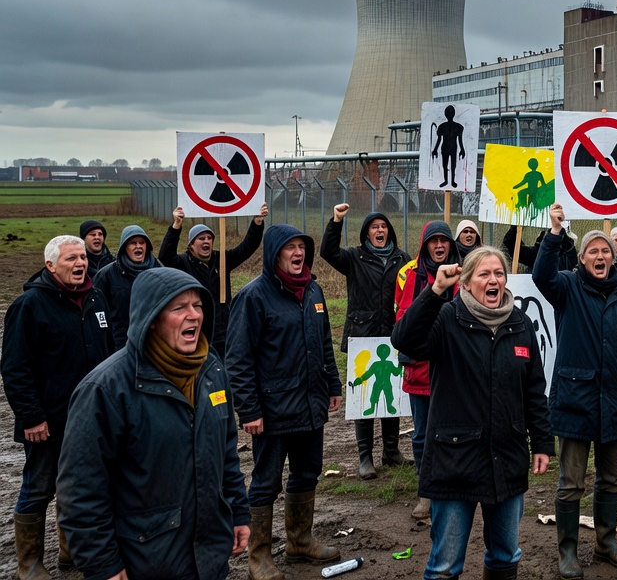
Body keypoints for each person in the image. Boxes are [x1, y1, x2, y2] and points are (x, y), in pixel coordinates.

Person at [57, 268, 250, 579]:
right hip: (145, 561)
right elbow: (81, 490)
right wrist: (103, 563)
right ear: (152, 317)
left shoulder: (212, 371)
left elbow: (227, 455)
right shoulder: (106, 389)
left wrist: (239, 513)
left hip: (209, 556)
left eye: (198, 305)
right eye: (179, 308)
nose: (194, 315)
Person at [393, 247, 553, 580]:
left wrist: (541, 442)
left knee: (505, 555)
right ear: (465, 283)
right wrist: (435, 291)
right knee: (445, 564)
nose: (493, 280)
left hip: (506, 459)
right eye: (483, 274)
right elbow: (405, 340)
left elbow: (534, 389)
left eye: (498, 273)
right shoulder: (447, 319)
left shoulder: (520, 323)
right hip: (454, 463)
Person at [534, 204, 617, 579]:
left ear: (614, 255)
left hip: (615, 397)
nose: (600, 256)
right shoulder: (567, 287)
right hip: (575, 399)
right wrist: (554, 234)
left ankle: (606, 542)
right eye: (593, 251)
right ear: (582, 259)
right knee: (571, 482)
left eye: (606, 250)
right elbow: (540, 275)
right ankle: (567, 551)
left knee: (611, 478)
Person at [226, 224, 343, 579]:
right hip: (272, 411)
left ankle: (299, 541)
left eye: (302, 247)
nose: (298, 253)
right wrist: (249, 409)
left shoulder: (314, 292)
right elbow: (238, 359)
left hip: (310, 406)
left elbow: (324, 345)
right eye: (290, 247)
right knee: (265, 482)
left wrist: (333, 385)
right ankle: (258, 557)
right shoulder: (254, 297)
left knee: (308, 471)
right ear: (275, 253)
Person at [3, 235, 115, 578]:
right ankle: (30, 564)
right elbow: (15, 368)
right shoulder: (30, 305)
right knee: (39, 487)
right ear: (51, 265)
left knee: (81, 487)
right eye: (71, 259)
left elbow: (110, 356)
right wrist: (32, 417)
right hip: (48, 421)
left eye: (82, 257)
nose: (80, 263)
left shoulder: (96, 298)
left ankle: (71, 553)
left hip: (90, 419)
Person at [322, 204, 411, 480]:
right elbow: (328, 252)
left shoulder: (401, 258)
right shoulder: (354, 257)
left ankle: (391, 451)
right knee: (365, 400)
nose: (380, 230)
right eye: (374, 227)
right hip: (363, 335)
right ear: (366, 233)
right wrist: (336, 220)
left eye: (383, 226)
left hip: (392, 334)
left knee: (391, 396)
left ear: (389, 231)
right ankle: (365, 457)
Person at [395, 220, 459, 522]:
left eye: (443, 240)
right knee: (421, 435)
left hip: (452, 372)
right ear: (425, 246)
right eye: (432, 241)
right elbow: (404, 323)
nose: (438, 245)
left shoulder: (462, 278)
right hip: (420, 372)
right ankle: (426, 491)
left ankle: (450, 486)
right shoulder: (414, 279)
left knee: (451, 433)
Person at [160, 203, 268, 356]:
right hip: (199, 331)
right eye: (201, 238)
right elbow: (165, 257)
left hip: (225, 329)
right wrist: (176, 226)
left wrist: (257, 223)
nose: (206, 241)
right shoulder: (184, 263)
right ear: (191, 245)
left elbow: (247, 247)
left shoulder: (222, 259)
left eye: (210, 238)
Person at [92, 224, 160, 349]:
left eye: (142, 242)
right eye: (133, 243)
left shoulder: (159, 270)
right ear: (124, 247)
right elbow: (97, 309)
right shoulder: (107, 274)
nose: (138, 246)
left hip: (154, 341)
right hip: (120, 343)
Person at [502, 223, 576, 273]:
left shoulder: (537, 253)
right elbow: (511, 245)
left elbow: (510, 244)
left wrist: (517, 223)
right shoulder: (571, 253)